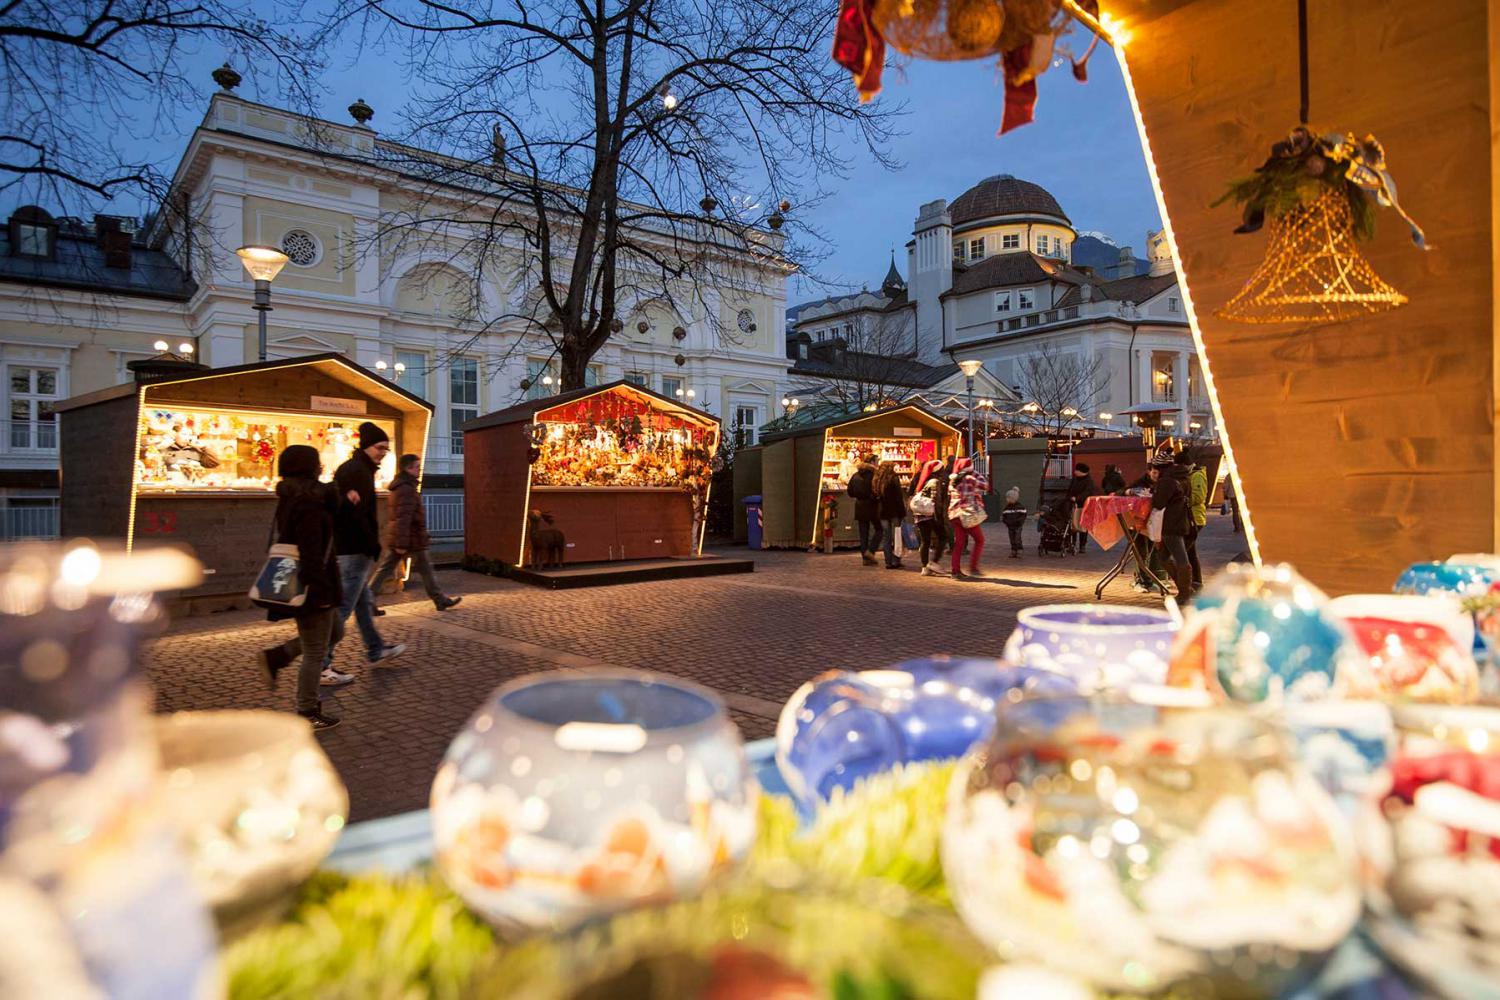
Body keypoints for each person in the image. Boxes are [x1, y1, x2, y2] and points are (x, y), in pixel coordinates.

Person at [257, 445, 345, 731]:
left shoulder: (297, 497)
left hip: (317, 581)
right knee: (315, 651)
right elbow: (310, 551)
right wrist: (318, 592)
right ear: (308, 468)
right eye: (317, 462)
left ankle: (277, 656)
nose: (322, 467)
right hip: (312, 585)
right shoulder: (307, 504)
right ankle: (306, 710)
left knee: (336, 631)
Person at [326, 421, 404, 682]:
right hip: (353, 549)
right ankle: (323, 662)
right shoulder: (357, 471)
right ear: (367, 446)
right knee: (345, 607)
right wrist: (371, 543)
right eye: (380, 447)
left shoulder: (359, 469)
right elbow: (354, 514)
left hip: (353, 548)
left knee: (362, 603)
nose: (383, 452)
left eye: (386, 448)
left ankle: (375, 649)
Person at [369, 453, 463, 611]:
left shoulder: (403, 486)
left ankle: (439, 599)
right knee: (396, 569)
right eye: (417, 467)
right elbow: (403, 518)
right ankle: (439, 599)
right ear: (408, 468)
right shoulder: (406, 489)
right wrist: (402, 543)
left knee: (395, 569)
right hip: (409, 538)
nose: (420, 470)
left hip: (409, 537)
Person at [1149, 450, 1193, 605]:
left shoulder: (1166, 481)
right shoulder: (1183, 477)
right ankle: (1185, 588)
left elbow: (1159, 503)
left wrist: (1154, 492)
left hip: (1170, 523)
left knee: (1181, 559)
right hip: (1181, 520)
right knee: (1163, 557)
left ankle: (1185, 593)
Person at [948, 457, 988, 579]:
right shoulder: (971, 479)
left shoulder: (953, 479)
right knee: (979, 540)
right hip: (967, 514)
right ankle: (973, 566)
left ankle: (955, 570)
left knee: (959, 544)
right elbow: (985, 486)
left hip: (954, 514)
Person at [909, 459, 949, 576]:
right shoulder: (935, 482)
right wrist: (940, 517)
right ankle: (933, 562)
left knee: (925, 541)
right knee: (943, 537)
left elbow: (911, 491)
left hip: (920, 515)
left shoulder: (919, 478)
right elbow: (936, 500)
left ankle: (924, 566)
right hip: (931, 515)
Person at [1180, 451, 1208, 592]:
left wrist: (1182, 499)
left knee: (1185, 551)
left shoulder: (1197, 475)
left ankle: (1193, 582)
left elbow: (1198, 497)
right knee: (1190, 552)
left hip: (1195, 518)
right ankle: (1196, 581)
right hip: (1191, 517)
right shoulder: (1190, 475)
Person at [873, 460, 907, 570]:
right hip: (894, 511)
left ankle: (888, 561)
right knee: (897, 535)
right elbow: (898, 496)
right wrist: (902, 511)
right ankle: (896, 559)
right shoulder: (893, 478)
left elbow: (875, 494)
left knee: (886, 536)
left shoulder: (877, 479)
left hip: (882, 511)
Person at [846, 454, 879, 566]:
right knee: (879, 529)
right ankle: (871, 551)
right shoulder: (874, 475)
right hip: (872, 505)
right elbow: (877, 490)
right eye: (877, 461)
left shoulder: (855, 475)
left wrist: (858, 495)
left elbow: (850, 491)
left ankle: (865, 557)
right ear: (872, 462)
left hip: (859, 505)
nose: (878, 463)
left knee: (863, 532)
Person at [1066, 462, 1099, 554]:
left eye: (1076, 470)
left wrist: (1077, 498)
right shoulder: (1075, 479)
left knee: (1082, 526)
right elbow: (1070, 490)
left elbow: (1088, 492)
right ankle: (1072, 544)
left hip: (1084, 506)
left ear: (1082, 472)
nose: (1075, 472)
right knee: (1073, 525)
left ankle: (1082, 545)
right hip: (1074, 505)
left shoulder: (1089, 481)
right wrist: (1069, 498)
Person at [1000, 487, 1028, 558]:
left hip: (1018, 526)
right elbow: (1004, 516)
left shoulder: (1020, 507)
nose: (1007, 499)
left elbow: (1023, 515)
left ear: (1013, 498)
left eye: (1008, 498)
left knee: (1017, 538)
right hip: (1010, 526)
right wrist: (1006, 522)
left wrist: (1019, 522)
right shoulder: (1006, 508)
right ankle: (1013, 550)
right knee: (1012, 538)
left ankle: (1019, 550)